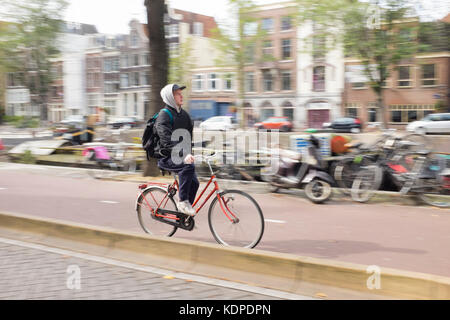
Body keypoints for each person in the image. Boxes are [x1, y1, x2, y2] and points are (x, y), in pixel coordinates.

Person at [154, 83, 199, 216]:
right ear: (170, 98)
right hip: (165, 156)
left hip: (180, 155)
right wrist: (184, 156)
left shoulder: (184, 115)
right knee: (188, 167)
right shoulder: (164, 115)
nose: (181, 96)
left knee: (194, 183)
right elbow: (166, 140)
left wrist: (191, 153)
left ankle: (184, 215)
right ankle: (182, 202)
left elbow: (187, 138)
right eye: (177, 94)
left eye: (181, 93)